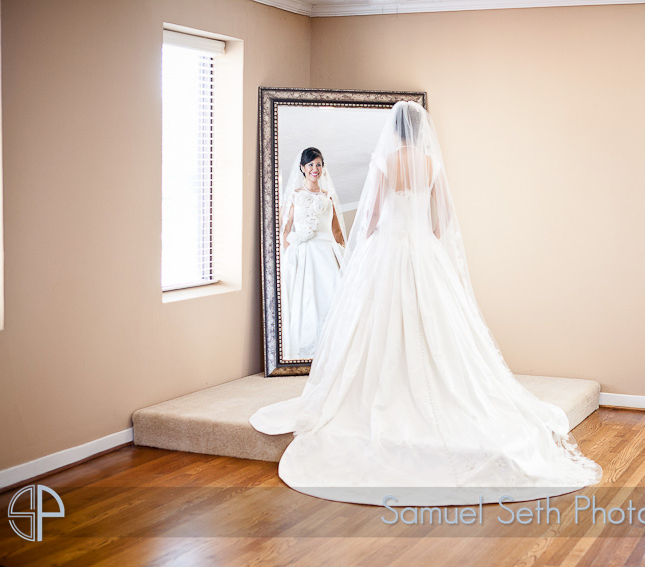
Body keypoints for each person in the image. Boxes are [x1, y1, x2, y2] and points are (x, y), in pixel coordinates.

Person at [252, 102, 602, 506]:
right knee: (435, 323)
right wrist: (427, 237)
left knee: (379, 324)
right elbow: (444, 217)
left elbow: (373, 216)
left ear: (395, 132)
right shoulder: (432, 165)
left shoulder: (385, 161)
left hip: (387, 248)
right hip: (423, 248)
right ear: (421, 132)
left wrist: (362, 250)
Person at [279, 148, 347, 360]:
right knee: (306, 303)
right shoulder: (295, 196)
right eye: (310, 165)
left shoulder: (329, 197)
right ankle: (307, 351)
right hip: (304, 256)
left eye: (318, 164)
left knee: (332, 298)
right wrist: (290, 253)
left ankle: (336, 350)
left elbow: (337, 231)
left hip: (327, 253)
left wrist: (344, 257)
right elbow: (286, 229)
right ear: (302, 167)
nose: (315, 169)